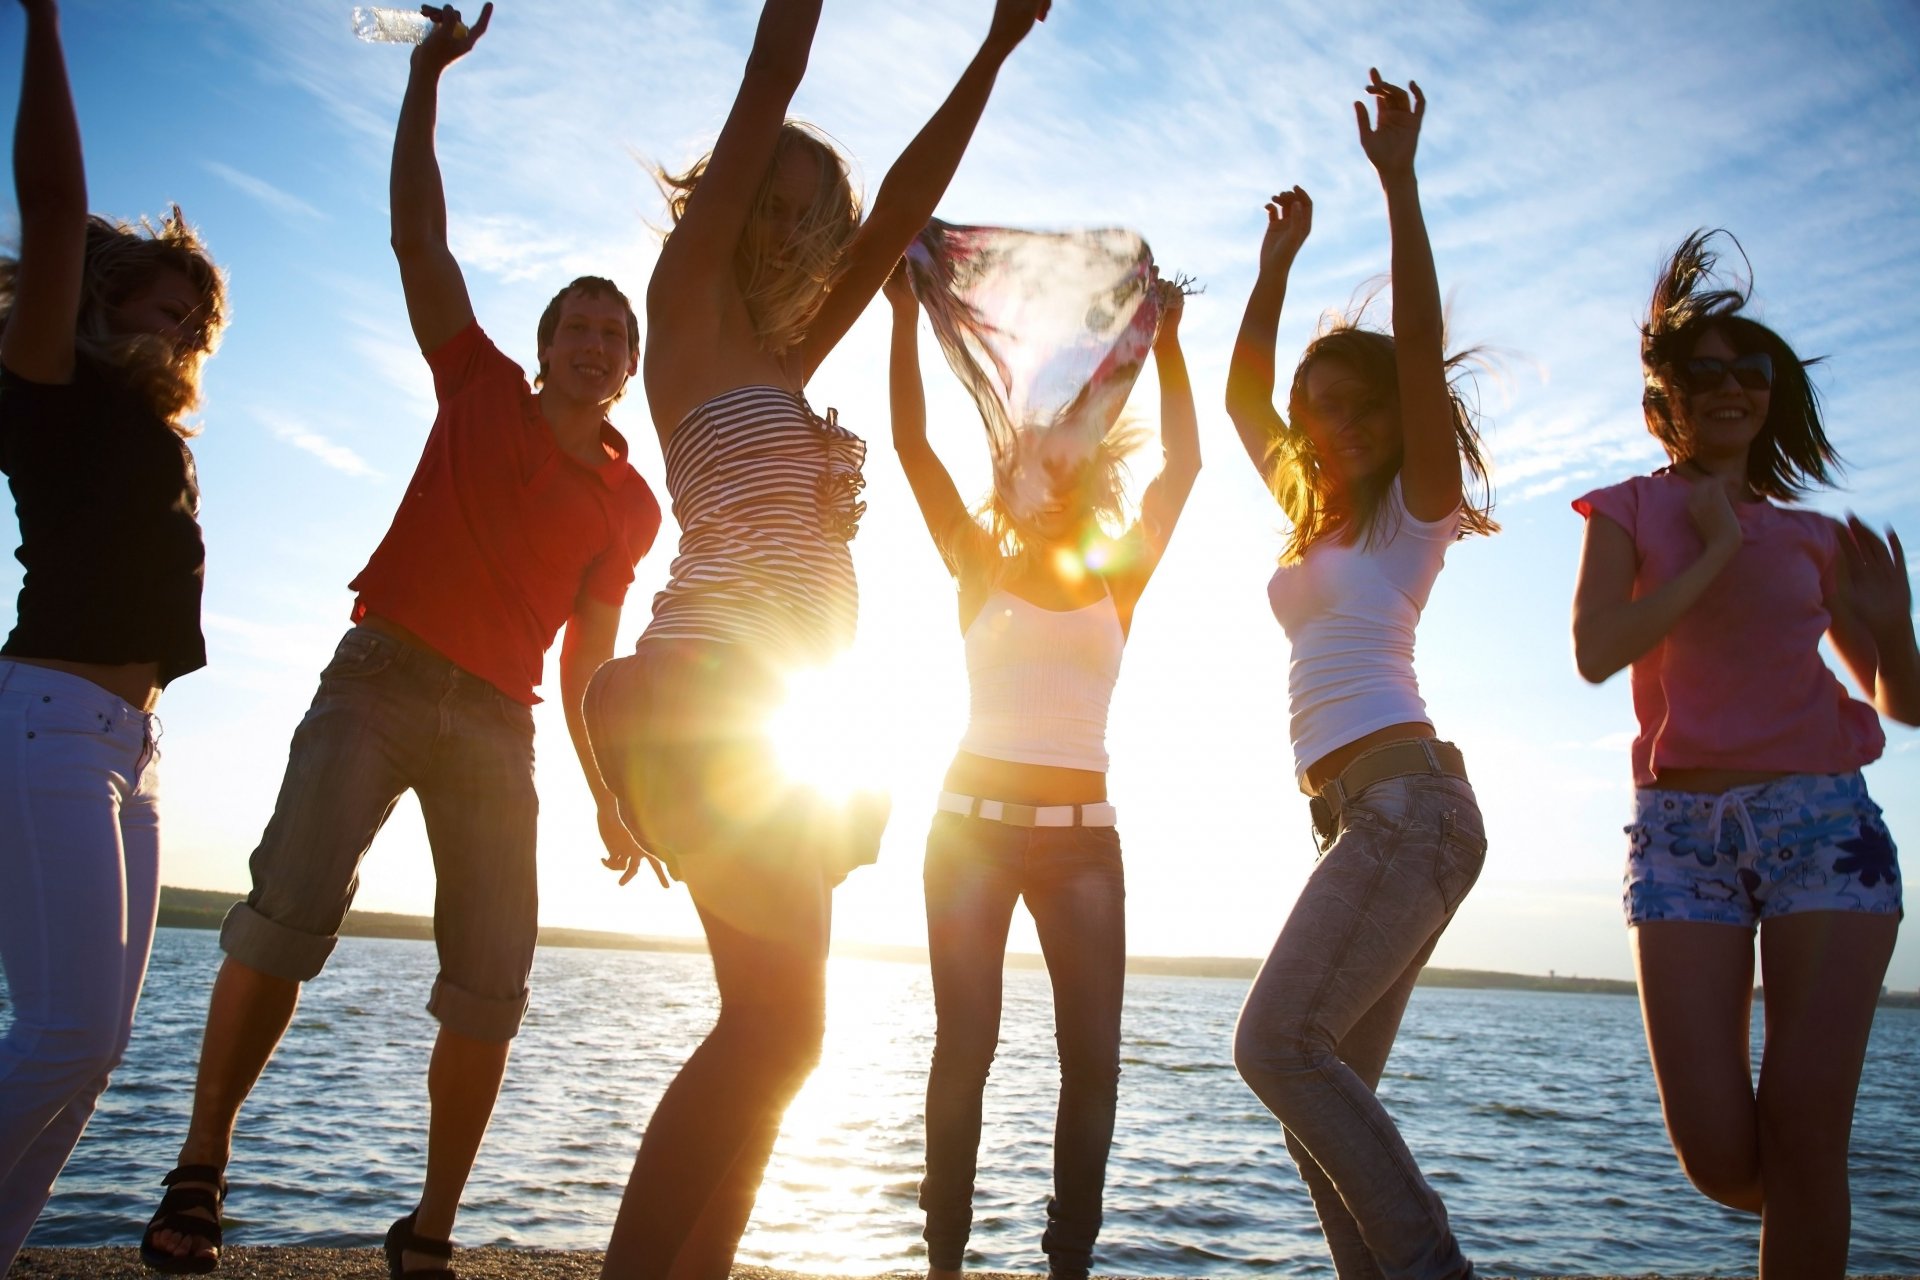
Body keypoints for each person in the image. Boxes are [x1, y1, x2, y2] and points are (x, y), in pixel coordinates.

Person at [139, 6, 663, 1275]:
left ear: (629, 366)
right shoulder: (477, 382)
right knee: (288, 914)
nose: (592, 343)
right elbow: (415, 233)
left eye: (614, 334)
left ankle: (430, 1225)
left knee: (492, 974)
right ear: (542, 348)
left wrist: (612, 790)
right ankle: (201, 1167)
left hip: (499, 718)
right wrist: (425, 78)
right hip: (379, 675)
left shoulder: (630, 501)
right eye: (575, 327)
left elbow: (590, 659)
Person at [582, 2, 1050, 1276]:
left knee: (782, 1034)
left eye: (808, 213)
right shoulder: (682, 314)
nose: (785, 228)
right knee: (782, 1028)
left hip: (789, 726)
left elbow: (904, 207)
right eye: (766, 202)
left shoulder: (789, 361)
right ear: (718, 209)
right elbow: (776, 63)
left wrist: (995, 47)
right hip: (706, 693)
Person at [1570, 229, 1911, 1279]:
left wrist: (1894, 625)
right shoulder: (1624, 510)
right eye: (1701, 371)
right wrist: (1715, 546)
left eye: (1748, 370)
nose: (1729, 387)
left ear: (1771, 393)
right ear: (1661, 397)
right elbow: (1596, 652)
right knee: (1720, 1154)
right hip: (1680, 836)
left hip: (1825, 825)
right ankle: (1816, 1203)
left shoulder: (1817, 537)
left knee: (1807, 1139)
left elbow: (1905, 702)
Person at [1223, 71, 1496, 1279]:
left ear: (1394, 417)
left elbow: (1424, 345)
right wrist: (1277, 263)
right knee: (1313, 1104)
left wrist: (1399, 182)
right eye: (1313, 407)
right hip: (1357, 819)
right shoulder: (1312, 516)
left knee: (1274, 1046)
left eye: (1352, 405)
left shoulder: (1414, 511)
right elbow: (1243, 392)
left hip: (1407, 806)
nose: (1327, 423)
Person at [886, 256, 1197, 1280]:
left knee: (1092, 1064)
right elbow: (913, 445)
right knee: (963, 1046)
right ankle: (944, 1262)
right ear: (1015, 473)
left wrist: (1175, 347)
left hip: (1082, 847)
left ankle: (1067, 1265)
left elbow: (1183, 469)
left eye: (1071, 465)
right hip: (967, 831)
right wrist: (900, 315)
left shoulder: (1119, 576)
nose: (1053, 481)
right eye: (1037, 465)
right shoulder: (977, 561)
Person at [0, 0, 227, 1268]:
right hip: (45, 726)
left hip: (130, 750)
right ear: (98, 303)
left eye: (196, 322)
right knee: (65, 1036)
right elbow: (48, 203)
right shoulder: (49, 389)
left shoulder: (155, 439)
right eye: (160, 308)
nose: (182, 334)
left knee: (87, 1062)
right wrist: (39, 14)